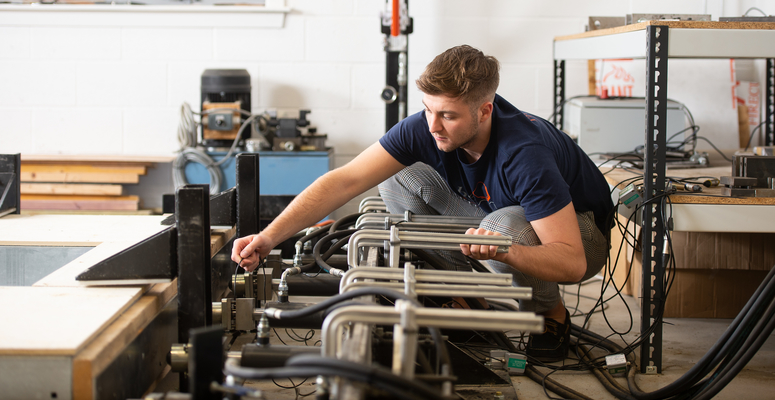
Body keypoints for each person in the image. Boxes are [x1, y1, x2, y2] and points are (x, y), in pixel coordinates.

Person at [232, 44, 613, 362]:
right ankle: (468, 301)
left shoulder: (524, 153)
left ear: (485, 110)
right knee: (398, 174)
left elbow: (572, 260)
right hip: (499, 214)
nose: (433, 126)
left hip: (579, 236)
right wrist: (268, 237)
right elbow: (345, 180)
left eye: (448, 115)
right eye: (429, 110)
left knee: (505, 230)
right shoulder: (427, 126)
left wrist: (506, 252)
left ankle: (550, 314)